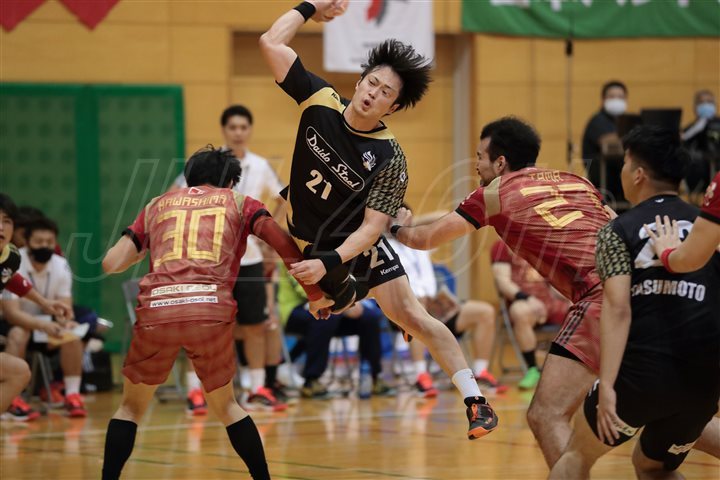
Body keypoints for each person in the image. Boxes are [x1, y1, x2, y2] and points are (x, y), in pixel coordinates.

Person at [259, 0, 498, 439]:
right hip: (308, 239)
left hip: (352, 245)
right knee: (331, 305)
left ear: (393, 107)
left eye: (386, 93)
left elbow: (372, 229)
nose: (374, 93)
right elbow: (271, 42)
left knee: (414, 316)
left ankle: (476, 401)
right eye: (372, 82)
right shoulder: (319, 100)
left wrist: (331, 261)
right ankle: (352, 295)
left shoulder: (390, 158)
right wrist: (312, 6)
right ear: (359, 80)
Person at [390, 116, 615, 466]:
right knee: (664, 427)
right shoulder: (578, 181)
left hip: (601, 298)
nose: (476, 165)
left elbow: (425, 238)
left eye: (480, 156)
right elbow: (620, 226)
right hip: (645, 291)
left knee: (545, 415)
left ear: (500, 162)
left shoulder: (494, 193)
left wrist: (397, 228)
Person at [99, 146, 330, 480]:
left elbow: (110, 263)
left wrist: (140, 253)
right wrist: (315, 296)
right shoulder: (241, 202)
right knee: (227, 407)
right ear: (232, 181)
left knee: (130, 408)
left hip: (157, 309)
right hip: (209, 308)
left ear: (189, 177)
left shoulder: (156, 205)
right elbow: (283, 245)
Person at [549, 126, 720, 479]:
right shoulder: (709, 228)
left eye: (626, 164)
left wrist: (608, 384)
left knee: (576, 457)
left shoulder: (617, 230)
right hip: (703, 379)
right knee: (651, 466)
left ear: (638, 174)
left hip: (640, 375)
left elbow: (617, 309)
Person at [170, 105, 288, 414]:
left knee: (254, 325)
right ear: (224, 130)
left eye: (243, 127)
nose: (238, 132)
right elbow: (172, 195)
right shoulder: (207, 164)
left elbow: (283, 197)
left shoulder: (260, 165)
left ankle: (256, 388)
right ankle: (195, 391)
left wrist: (265, 235)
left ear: (250, 130)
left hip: (248, 259)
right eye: (233, 127)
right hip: (208, 261)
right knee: (202, 327)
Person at [388, 228, 503, 395]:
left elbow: (438, 219)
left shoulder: (419, 240)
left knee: (485, 311)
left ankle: (481, 372)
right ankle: (421, 376)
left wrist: (409, 225)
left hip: (436, 308)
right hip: (405, 309)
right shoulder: (385, 247)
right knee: (417, 311)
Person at [2, 216, 86, 418]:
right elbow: (12, 313)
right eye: (39, 241)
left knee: (71, 334)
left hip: (46, 326)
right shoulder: (17, 259)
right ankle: (13, 399)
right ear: (27, 241)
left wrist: (62, 318)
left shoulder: (10, 258)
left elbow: (13, 280)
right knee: (18, 338)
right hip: (18, 323)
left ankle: (72, 394)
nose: (45, 246)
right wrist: (41, 323)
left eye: (6, 221)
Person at [277, 264, 394, 399]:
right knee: (325, 319)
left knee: (369, 317)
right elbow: (304, 289)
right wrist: (343, 305)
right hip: (295, 310)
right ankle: (311, 380)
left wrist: (350, 301)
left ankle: (374, 376)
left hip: (331, 305)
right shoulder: (289, 258)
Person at [491, 240, 571, 390]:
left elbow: (551, 281)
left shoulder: (539, 243)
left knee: (587, 309)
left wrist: (571, 297)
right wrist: (528, 299)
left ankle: (583, 369)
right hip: (524, 302)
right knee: (519, 311)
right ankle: (532, 369)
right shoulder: (502, 246)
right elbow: (503, 282)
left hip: (549, 302)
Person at [582, 80, 629, 200]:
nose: (616, 100)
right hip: (603, 178)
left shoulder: (624, 121)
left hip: (619, 179)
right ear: (603, 100)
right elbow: (608, 143)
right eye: (612, 97)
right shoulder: (597, 121)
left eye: (620, 97)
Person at [682, 89, 720, 199]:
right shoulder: (691, 128)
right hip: (699, 171)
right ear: (695, 107)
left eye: (709, 102)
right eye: (703, 102)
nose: (706, 105)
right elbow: (684, 140)